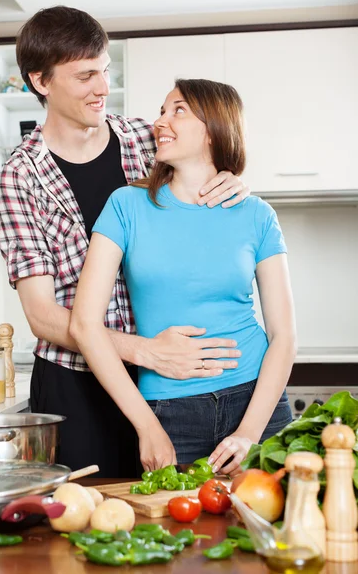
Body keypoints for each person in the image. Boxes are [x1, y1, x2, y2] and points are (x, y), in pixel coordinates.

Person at [0, 6, 250, 477]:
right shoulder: (19, 178)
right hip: (76, 385)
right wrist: (141, 348)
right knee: (85, 521)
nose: (103, 87)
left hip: (162, 381)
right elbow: (43, 316)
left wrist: (234, 180)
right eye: (86, 75)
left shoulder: (144, 140)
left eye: (106, 69)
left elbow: (210, 156)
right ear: (41, 81)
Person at [70, 78, 297, 476]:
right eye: (161, 111)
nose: (160, 121)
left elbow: (284, 335)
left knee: (269, 533)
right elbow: (84, 324)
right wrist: (147, 426)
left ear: (214, 128)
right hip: (169, 412)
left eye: (178, 110)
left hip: (256, 402)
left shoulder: (257, 214)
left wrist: (248, 433)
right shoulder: (126, 206)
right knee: (180, 536)